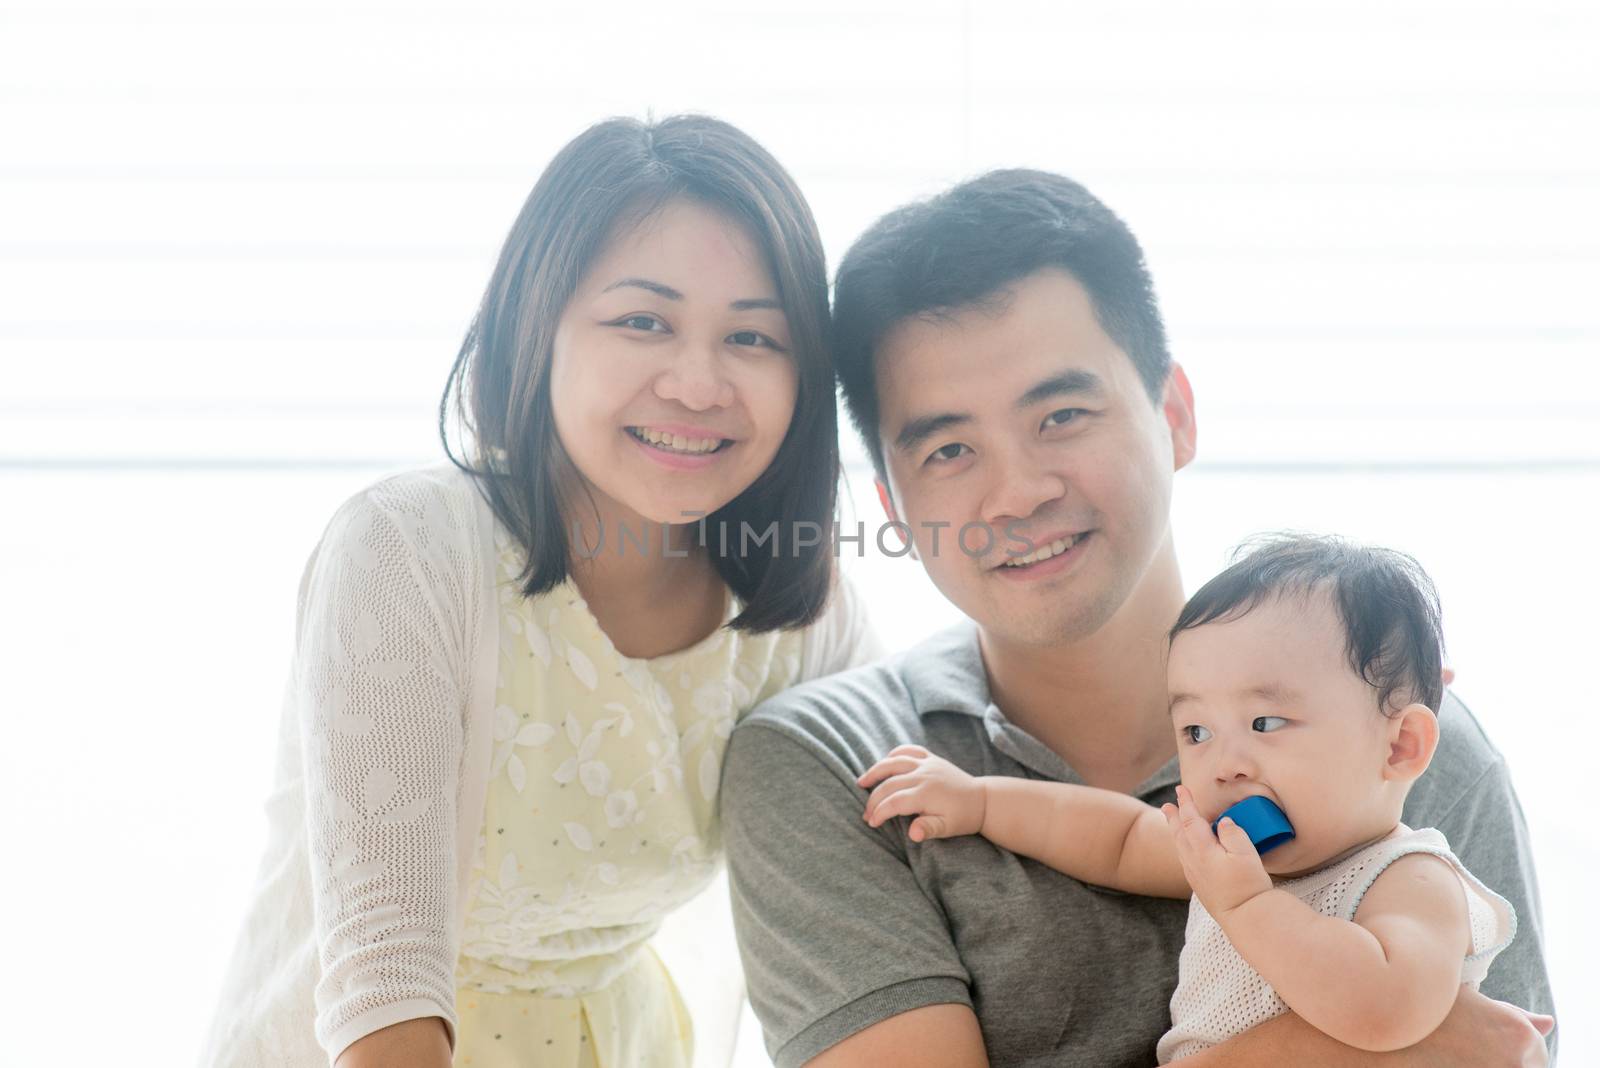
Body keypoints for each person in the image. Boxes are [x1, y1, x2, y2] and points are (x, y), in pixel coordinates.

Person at [719, 169, 1556, 1067]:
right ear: (890, 502)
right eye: (951, 449)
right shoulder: (841, 768)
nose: (1018, 493)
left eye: (1063, 414)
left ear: (1176, 415)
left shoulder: (1386, 728)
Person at [198, 114, 880, 1068]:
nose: (697, 382)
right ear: (538, 326)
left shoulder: (803, 615)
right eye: (643, 320)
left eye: (754, 337)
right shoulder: (410, 550)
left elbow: (878, 904)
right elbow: (382, 982)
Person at [858, 533, 1521, 1061]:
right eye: (1196, 731)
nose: (1224, 765)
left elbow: (1385, 1010)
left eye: (1265, 724)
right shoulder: (1228, 859)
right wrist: (980, 802)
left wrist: (1246, 904)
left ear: (1400, 746)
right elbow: (1114, 837)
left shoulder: (1408, 879)